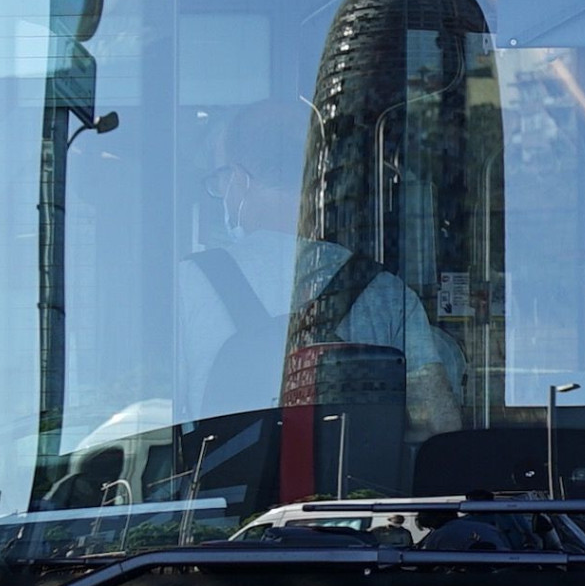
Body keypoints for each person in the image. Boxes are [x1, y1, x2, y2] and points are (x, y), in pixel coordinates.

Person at [176, 98, 467, 437]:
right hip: (355, 488)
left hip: (229, 489)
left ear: (240, 179)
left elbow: (154, 410)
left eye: (222, 183)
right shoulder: (385, 292)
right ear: (319, 178)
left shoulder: (187, 282)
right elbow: (436, 422)